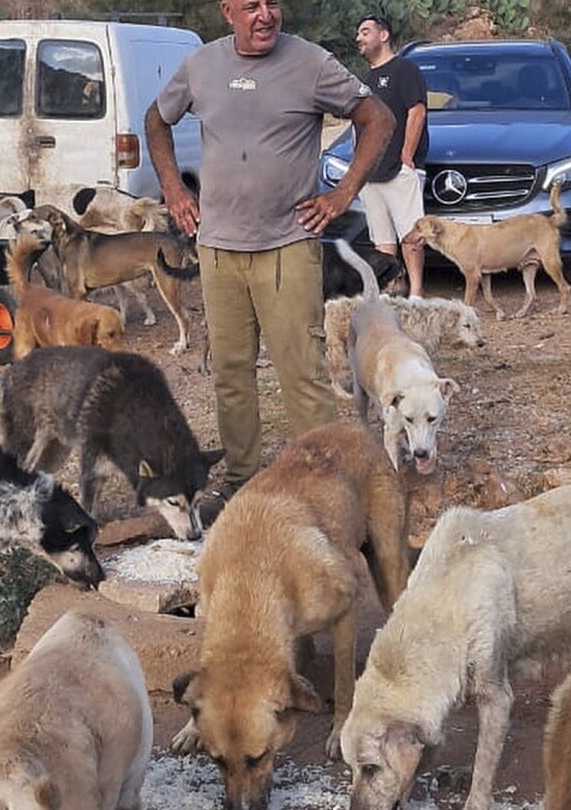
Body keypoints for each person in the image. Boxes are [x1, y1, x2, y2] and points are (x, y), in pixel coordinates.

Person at [145, 0, 395, 525]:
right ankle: (241, 481)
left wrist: (344, 190)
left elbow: (378, 118)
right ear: (226, 12)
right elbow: (156, 119)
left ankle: (326, 486)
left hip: (287, 245)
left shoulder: (311, 64)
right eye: (252, 5)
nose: (266, 15)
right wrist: (172, 188)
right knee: (231, 375)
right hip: (218, 248)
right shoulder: (202, 66)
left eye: (274, 3)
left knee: (301, 374)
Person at [354, 12, 429, 297]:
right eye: (359, 33)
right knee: (382, 241)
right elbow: (357, 123)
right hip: (370, 173)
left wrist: (407, 155)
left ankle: (417, 293)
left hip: (399, 170)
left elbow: (417, 111)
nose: (358, 38)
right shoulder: (365, 80)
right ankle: (388, 292)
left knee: (411, 238)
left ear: (383, 35)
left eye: (364, 31)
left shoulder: (404, 69)